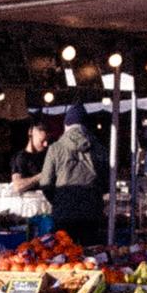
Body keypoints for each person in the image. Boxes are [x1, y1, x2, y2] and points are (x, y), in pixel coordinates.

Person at [39, 103, 108, 246]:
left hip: (63, 213)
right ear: (85, 125)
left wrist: (59, 199)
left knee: (63, 254)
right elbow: (107, 182)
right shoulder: (99, 148)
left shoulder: (55, 148)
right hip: (92, 212)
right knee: (91, 254)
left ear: (66, 125)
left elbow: (45, 182)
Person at [10, 120, 49, 193]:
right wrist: (41, 176)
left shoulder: (49, 155)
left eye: (47, 140)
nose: (46, 144)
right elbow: (18, 186)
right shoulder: (19, 157)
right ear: (31, 132)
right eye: (42, 141)